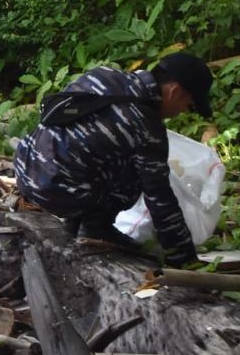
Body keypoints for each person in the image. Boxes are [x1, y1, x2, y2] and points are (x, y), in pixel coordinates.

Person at [13, 52, 213, 266]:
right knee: (140, 176)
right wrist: (185, 259)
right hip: (56, 193)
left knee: (92, 153)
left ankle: (80, 219)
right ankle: (96, 227)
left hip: (26, 169)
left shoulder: (103, 75)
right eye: (188, 105)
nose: (182, 112)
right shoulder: (146, 127)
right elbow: (161, 201)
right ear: (175, 92)